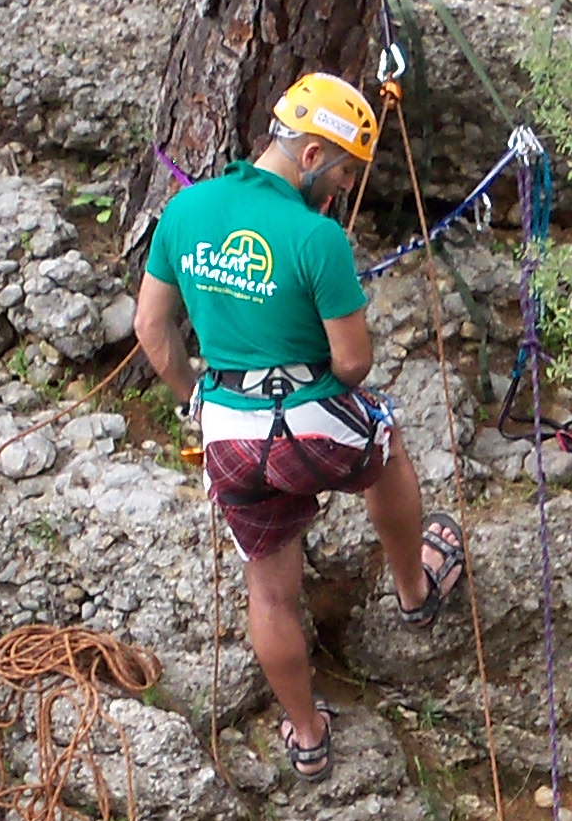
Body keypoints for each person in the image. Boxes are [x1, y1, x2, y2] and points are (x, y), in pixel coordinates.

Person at [135, 73, 469, 781]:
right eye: (344, 173)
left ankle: (308, 735)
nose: (343, 191)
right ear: (312, 155)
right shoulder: (317, 238)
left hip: (228, 427)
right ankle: (414, 591)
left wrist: (197, 398)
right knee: (387, 448)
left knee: (269, 588)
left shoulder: (186, 210)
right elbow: (352, 364)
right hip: (311, 420)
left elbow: (151, 329)